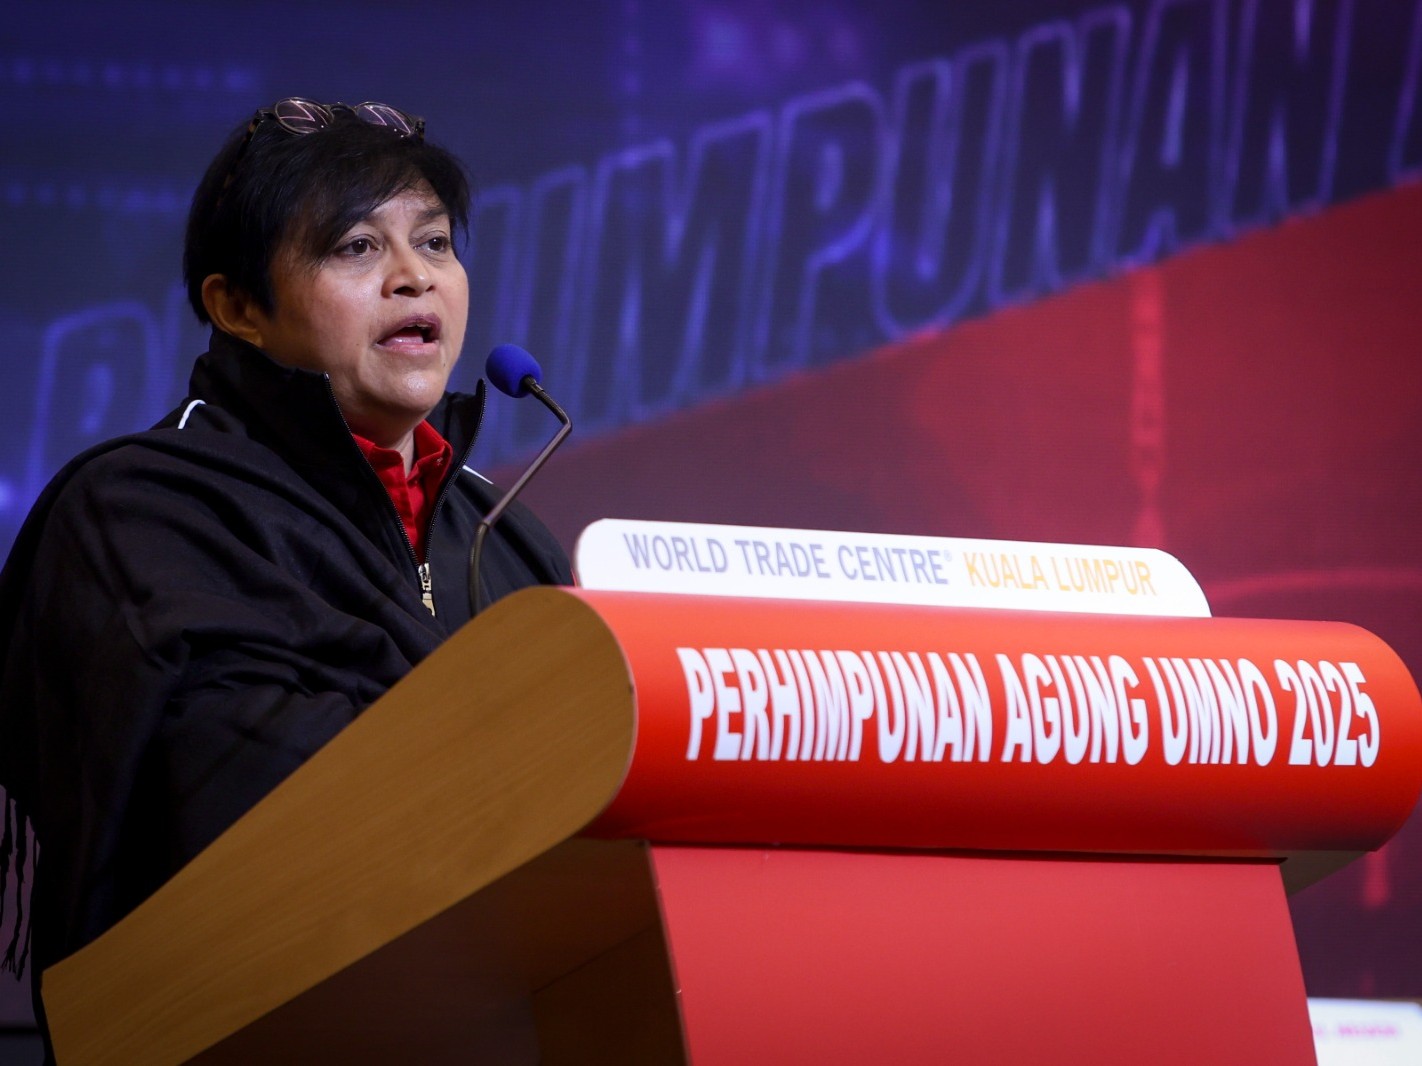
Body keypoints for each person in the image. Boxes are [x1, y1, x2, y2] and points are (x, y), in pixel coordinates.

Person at [0, 98, 572, 1042]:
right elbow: (240, 791)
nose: (413, 277)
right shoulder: (143, 511)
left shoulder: (503, 533)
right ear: (238, 308)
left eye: (434, 242)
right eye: (356, 247)